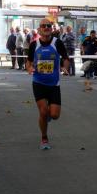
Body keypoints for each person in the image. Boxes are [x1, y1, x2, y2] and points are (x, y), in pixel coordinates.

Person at [26, 19, 70, 150]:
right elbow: (28, 62)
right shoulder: (34, 45)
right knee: (43, 112)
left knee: (55, 115)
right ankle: (44, 138)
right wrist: (29, 69)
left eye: (48, 26)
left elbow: (66, 58)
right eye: (43, 26)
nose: (46, 28)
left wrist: (64, 67)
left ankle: (48, 116)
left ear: (52, 28)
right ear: (39, 29)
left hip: (54, 84)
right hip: (38, 83)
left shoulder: (58, 43)